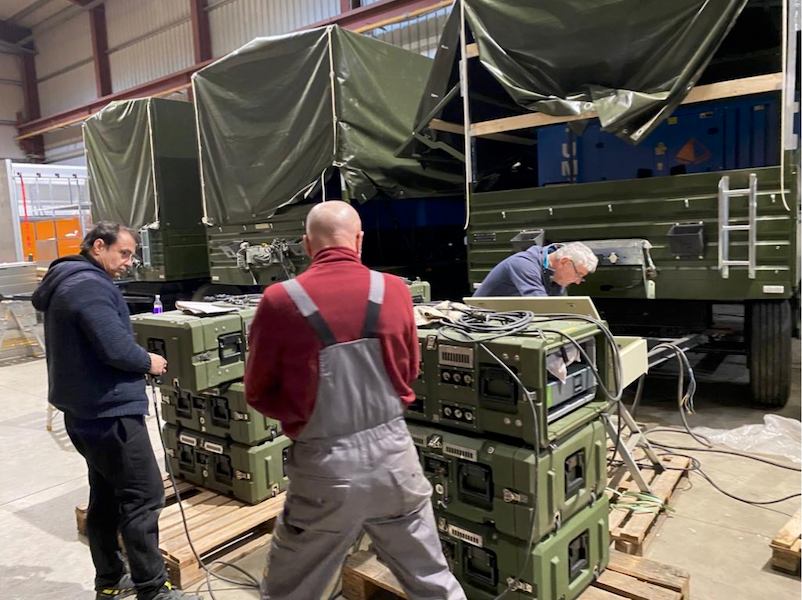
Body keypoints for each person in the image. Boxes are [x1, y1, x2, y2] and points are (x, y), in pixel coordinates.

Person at [245, 201, 465, 600]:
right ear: (359, 240)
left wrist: (307, 418)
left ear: (307, 245)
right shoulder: (394, 291)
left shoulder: (280, 300)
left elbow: (258, 391)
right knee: (433, 581)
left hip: (326, 470)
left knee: (290, 590)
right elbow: (409, 370)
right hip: (395, 462)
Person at [32, 221, 198, 600]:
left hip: (85, 412)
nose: (128, 262)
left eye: (132, 255)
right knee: (145, 495)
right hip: (110, 413)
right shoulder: (88, 286)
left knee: (106, 497)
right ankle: (153, 590)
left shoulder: (67, 281)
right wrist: (149, 361)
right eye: (123, 253)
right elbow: (115, 348)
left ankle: (109, 581)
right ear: (98, 246)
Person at [473, 241, 598, 297]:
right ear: (565, 262)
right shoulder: (523, 264)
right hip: (481, 323)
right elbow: (542, 307)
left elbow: (560, 309)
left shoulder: (557, 276)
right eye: (578, 274)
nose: (577, 281)